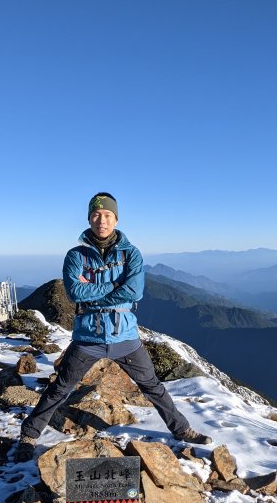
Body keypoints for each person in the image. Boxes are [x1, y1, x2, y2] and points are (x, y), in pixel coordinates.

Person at [15, 192, 211, 461]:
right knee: (61, 387)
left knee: (152, 386)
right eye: (96, 215)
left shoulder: (131, 253)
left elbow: (135, 291)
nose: (101, 220)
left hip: (125, 336)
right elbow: (75, 293)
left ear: (116, 219)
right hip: (88, 337)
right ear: (89, 219)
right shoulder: (76, 255)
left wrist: (94, 288)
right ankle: (29, 435)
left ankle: (182, 429)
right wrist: (114, 286)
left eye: (107, 215)